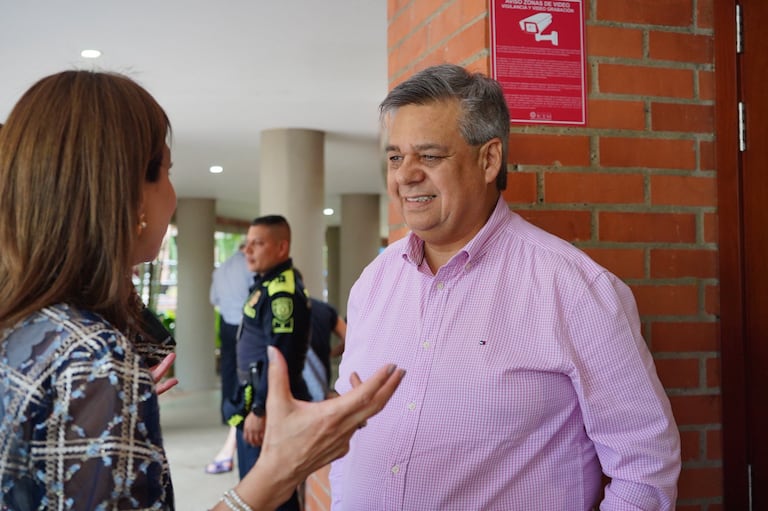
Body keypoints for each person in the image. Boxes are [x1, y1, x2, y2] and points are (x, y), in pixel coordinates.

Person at [0, 69, 405, 511]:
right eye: (166, 172)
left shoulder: (28, 327)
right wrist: (278, 472)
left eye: (258, 244)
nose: (172, 195)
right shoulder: (92, 360)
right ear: (131, 193)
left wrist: (109, 413)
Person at [330, 63, 681, 510]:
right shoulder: (372, 284)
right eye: (396, 157)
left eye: (430, 156)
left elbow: (645, 467)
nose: (405, 175)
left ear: (489, 159)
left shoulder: (574, 287)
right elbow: (347, 432)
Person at [234, 214, 311, 510]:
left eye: (258, 243)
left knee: (270, 496)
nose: (248, 250)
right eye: (247, 243)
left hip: (269, 412)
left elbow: (281, 357)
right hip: (256, 402)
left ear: (281, 248)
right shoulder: (266, 283)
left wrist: (260, 408)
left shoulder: (282, 293)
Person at [206, 243, 253, 474]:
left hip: (226, 322)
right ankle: (240, 411)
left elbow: (213, 298)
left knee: (228, 370)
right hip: (244, 322)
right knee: (245, 371)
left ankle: (228, 414)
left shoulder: (221, 268)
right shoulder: (248, 266)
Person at [303, 297, 347, 401]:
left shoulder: (274, 308)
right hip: (320, 388)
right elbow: (349, 338)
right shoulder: (324, 309)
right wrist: (330, 354)